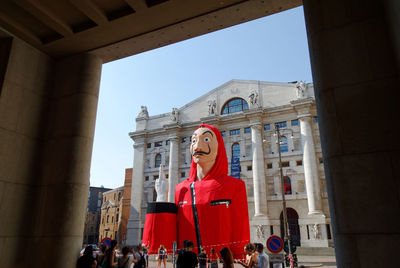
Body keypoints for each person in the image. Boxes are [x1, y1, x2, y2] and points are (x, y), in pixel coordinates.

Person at [175, 124, 250, 257]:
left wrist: (238, 258)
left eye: (206, 140)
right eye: (193, 141)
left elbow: (240, 231)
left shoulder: (235, 186)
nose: (198, 147)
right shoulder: (181, 189)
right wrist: (159, 201)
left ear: (219, 147)